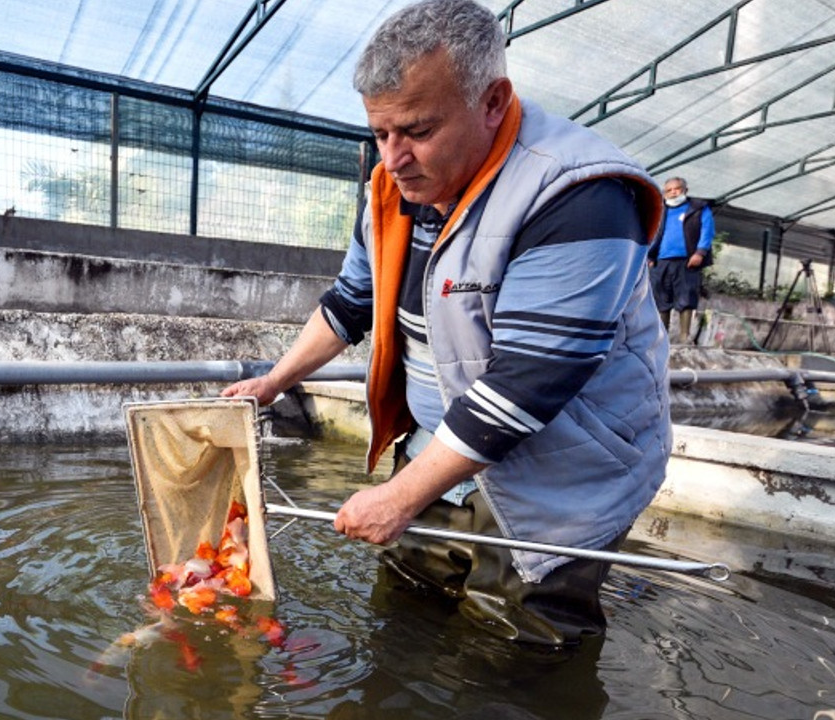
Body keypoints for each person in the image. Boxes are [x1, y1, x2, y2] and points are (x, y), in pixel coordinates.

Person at [222, 0, 671, 646]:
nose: (394, 157)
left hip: (557, 476)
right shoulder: (393, 189)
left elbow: (526, 385)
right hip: (437, 448)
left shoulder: (581, 196)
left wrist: (400, 497)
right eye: (381, 133)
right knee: (405, 620)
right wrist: (274, 380)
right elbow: (351, 303)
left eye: (418, 131)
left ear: (493, 102)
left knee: (518, 650)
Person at [649, 177, 715, 344]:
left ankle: (684, 337)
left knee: (686, 297)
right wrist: (649, 255)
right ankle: (661, 339)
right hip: (661, 261)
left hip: (687, 261)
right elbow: (651, 233)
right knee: (661, 298)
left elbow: (707, 231)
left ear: (685, 190)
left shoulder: (698, 208)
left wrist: (700, 252)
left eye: (677, 189)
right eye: (669, 190)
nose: (673, 192)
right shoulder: (660, 209)